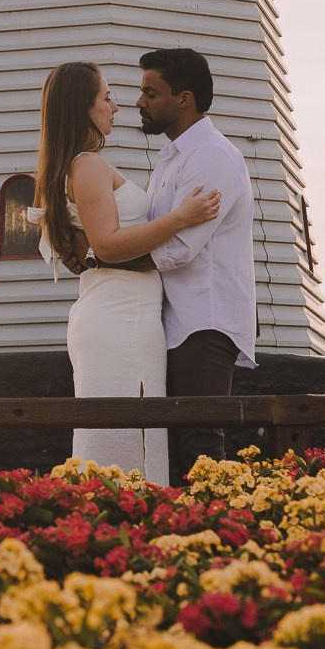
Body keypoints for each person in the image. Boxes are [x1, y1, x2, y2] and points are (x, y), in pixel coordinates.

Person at [31, 61, 220, 483]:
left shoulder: (76, 166)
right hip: (122, 318)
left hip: (118, 311)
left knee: (125, 442)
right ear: (84, 106)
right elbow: (109, 244)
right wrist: (181, 217)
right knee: (127, 445)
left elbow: (92, 248)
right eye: (106, 97)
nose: (116, 106)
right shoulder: (89, 165)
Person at [137, 47, 256, 482]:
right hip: (175, 321)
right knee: (177, 442)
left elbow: (178, 249)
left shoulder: (212, 156)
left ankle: (218, 543)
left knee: (202, 445)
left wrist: (109, 256)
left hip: (205, 321)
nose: (139, 102)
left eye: (151, 92)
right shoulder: (173, 158)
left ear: (184, 99)